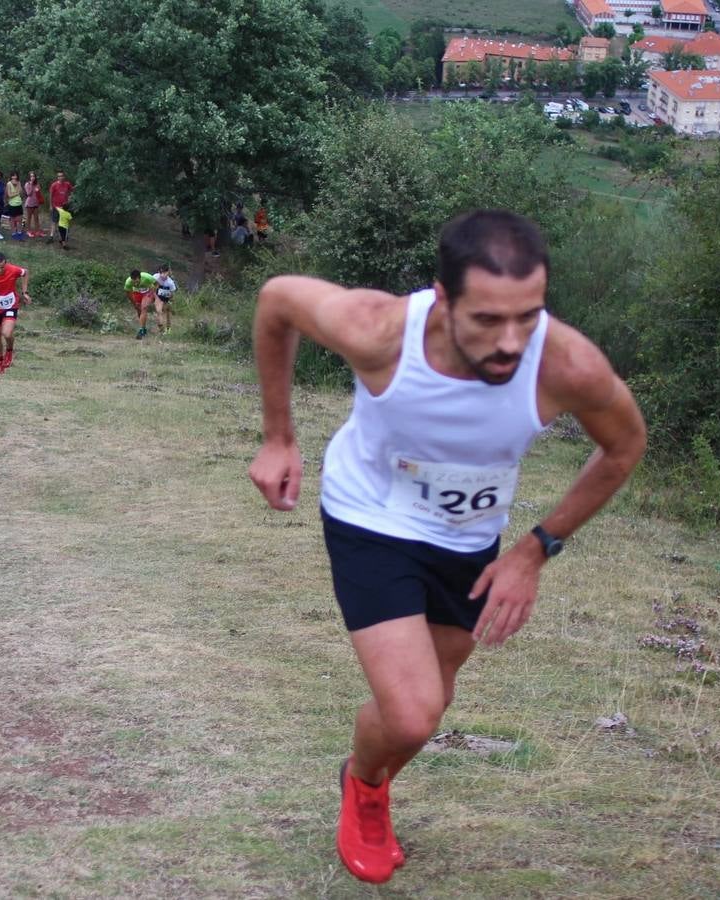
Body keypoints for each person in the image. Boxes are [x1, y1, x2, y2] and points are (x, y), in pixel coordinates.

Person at [247, 209, 646, 885]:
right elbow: (276, 299)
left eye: (527, 315)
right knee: (410, 714)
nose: (510, 342)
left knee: (432, 703)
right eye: (486, 320)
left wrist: (532, 550)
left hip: (469, 540)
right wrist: (279, 435)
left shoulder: (566, 363)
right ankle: (366, 793)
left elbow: (623, 446)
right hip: (369, 518)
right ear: (441, 295)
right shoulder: (377, 332)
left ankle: (367, 777)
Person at [124, 269, 158, 340]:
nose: (135, 284)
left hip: (147, 292)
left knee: (144, 308)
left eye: (137, 281)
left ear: (140, 278)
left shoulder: (147, 277)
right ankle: (144, 328)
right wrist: (134, 304)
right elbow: (128, 293)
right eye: (134, 282)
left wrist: (152, 293)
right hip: (136, 293)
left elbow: (157, 284)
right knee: (139, 310)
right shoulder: (128, 282)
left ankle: (141, 330)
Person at [47, 170, 74, 243]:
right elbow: (50, 195)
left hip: (64, 208)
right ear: (57, 177)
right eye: (59, 176)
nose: (60, 177)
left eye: (62, 176)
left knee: (64, 223)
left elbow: (72, 190)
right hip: (56, 207)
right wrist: (50, 205)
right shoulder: (54, 185)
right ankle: (51, 237)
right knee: (54, 221)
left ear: (64, 176)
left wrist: (70, 198)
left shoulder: (67, 184)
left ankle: (62, 237)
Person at [153, 263, 177, 334]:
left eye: (164, 273)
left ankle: (168, 328)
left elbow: (172, 294)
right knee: (159, 311)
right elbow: (151, 286)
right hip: (158, 296)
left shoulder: (170, 283)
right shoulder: (155, 277)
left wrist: (170, 301)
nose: (162, 275)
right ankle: (161, 329)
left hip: (167, 297)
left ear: (168, 272)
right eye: (161, 272)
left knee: (167, 313)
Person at [23, 172, 42, 236]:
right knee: (29, 218)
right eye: (31, 176)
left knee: (36, 218)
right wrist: (31, 185)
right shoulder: (27, 184)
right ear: (29, 178)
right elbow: (28, 194)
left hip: (36, 203)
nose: (32, 178)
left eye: (33, 176)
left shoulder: (37, 184)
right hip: (29, 203)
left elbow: (39, 193)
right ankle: (28, 231)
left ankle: (37, 231)